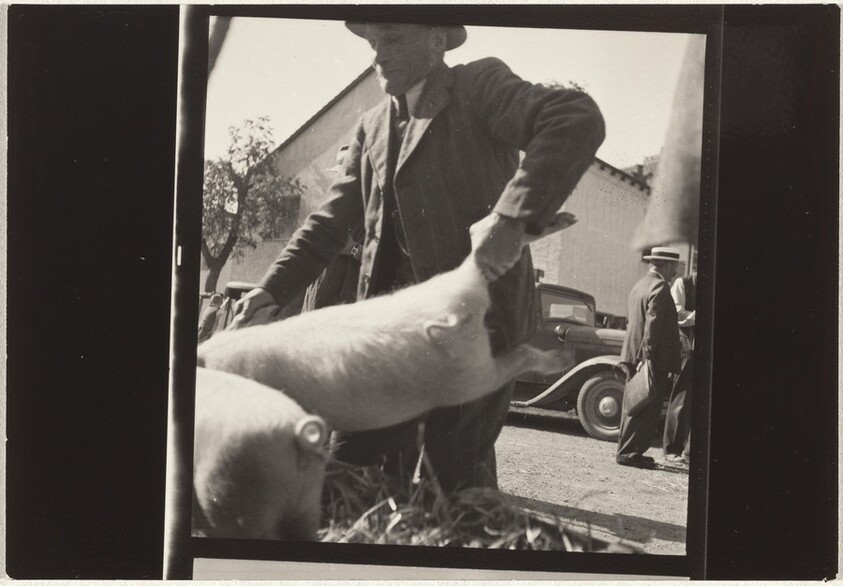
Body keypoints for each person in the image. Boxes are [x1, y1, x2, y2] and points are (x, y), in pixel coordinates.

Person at [235, 22, 605, 492]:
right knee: (344, 470)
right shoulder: (370, 128)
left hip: (476, 331)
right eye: (372, 44)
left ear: (436, 40)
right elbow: (328, 224)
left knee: (450, 480)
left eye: (392, 39)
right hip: (392, 334)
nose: (378, 57)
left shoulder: (479, 86)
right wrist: (269, 290)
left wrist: (512, 221)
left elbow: (574, 116)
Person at [616, 247, 683, 469]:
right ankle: (630, 453)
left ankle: (627, 450)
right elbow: (652, 325)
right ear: (664, 264)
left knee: (634, 403)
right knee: (646, 406)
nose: (676, 271)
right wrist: (649, 356)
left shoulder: (640, 285)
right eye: (674, 266)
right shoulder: (660, 287)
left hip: (634, 354)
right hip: (649, 357)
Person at [663, 270, 696, 465]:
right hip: (686, 346)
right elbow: (677, 313)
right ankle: (671, 449)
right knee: (681, 398)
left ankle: (688, 451)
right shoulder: (683, 283)